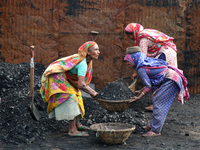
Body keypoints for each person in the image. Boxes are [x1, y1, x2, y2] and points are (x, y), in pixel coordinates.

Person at [124, 46, 189, 137]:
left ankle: (156, 130)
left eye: (128, 60)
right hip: (171, 77)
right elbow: (150, 83)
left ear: (134, 58)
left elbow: (148, 86)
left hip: (170, 80)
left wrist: (139, 97)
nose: (127, 63)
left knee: (159, 101)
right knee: (157, 100)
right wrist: (141, 91)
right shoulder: (144, 62)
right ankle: (155, 125)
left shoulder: (141, 69)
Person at [40, 41, 100, 137]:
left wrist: (94, 92)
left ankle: (77, 124)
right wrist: (93, 94)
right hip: (56, 77)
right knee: (71, 97)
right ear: (88, 52)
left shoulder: (87, 62)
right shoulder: (83, 64)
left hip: (65, 77)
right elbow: (81, 85)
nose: (99, 52)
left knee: (78, 95)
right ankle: (72, 130)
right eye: (96, 49)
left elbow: (82, 85)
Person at [125, 23, 178, 111]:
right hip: (169, 51)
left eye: (129, 35)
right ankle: (160, 102)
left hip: (165, 53)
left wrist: (136, 73)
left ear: (134, 32)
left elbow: (142, 59)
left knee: (157, 78)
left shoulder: (143, 39)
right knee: (160, 77)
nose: (129, 38)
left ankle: (156, 105)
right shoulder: (145, 32)